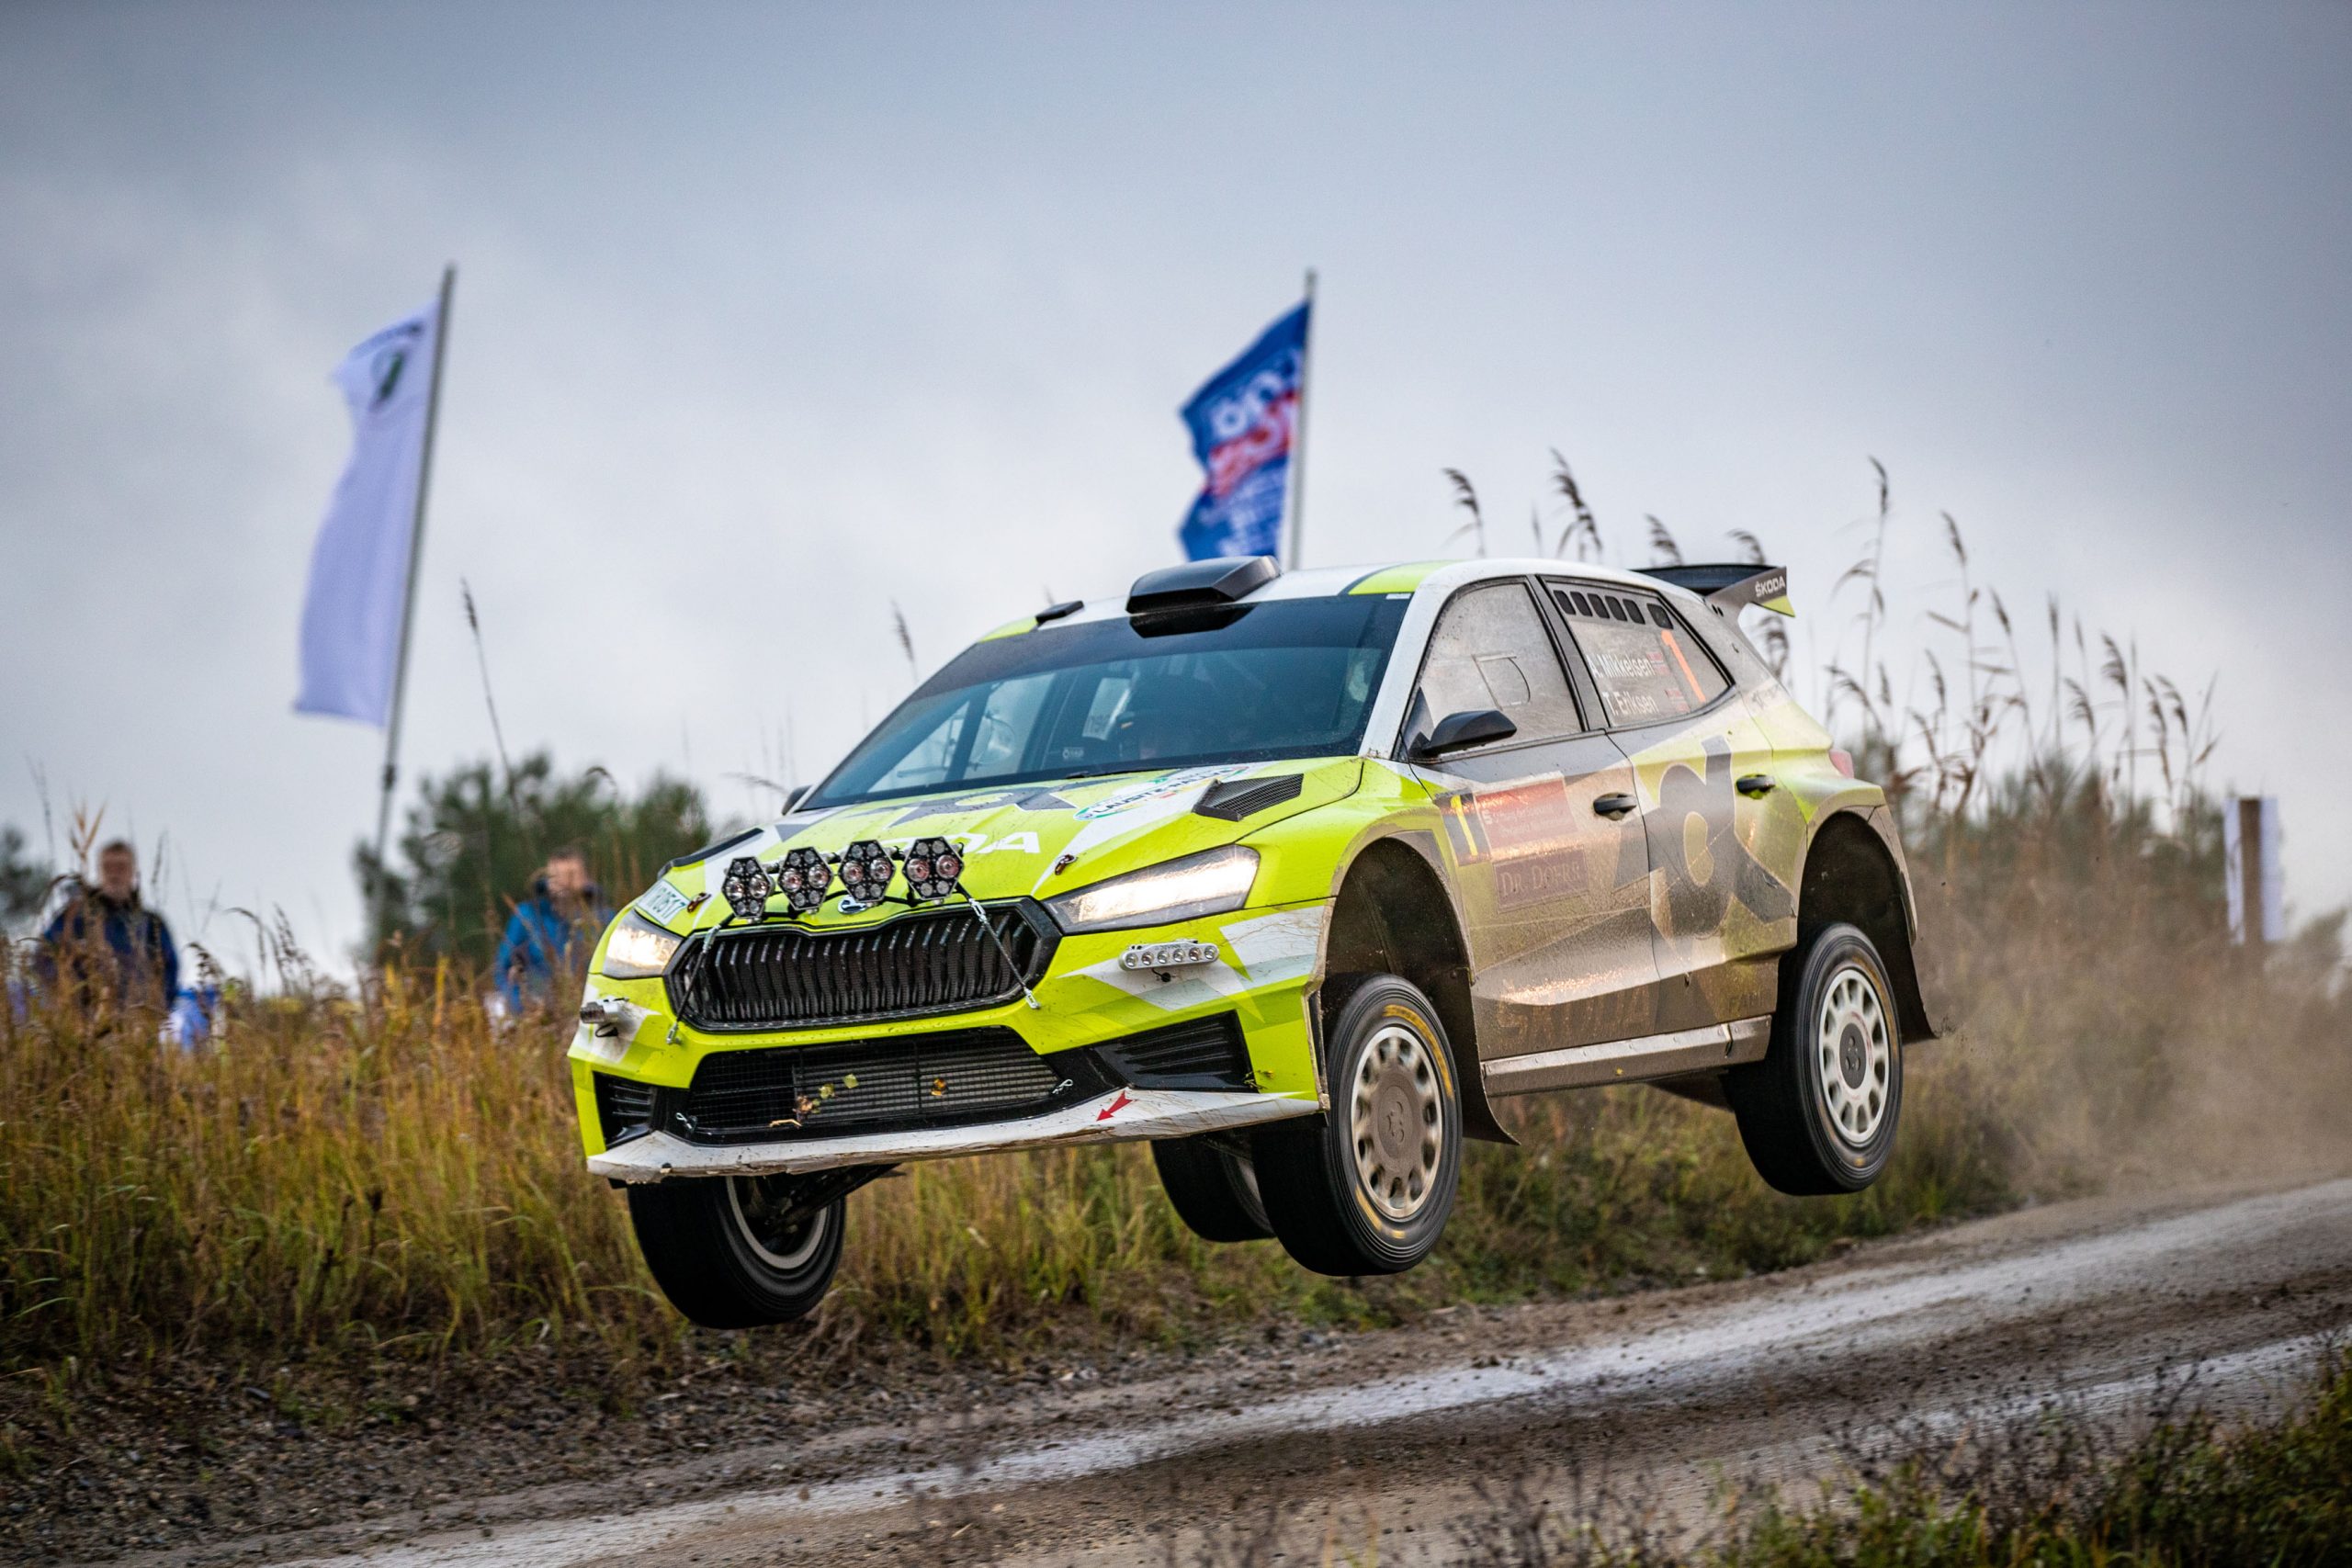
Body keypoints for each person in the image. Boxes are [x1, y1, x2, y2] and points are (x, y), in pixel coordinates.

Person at [38, 839, 178, 1010]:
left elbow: (169, 971)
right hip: (83, 1020)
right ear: (99, 871)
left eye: (121, 868)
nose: (114, 874)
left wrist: (156, 1010)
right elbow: (44, 956)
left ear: (133, 872)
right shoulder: (75, 918)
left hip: (135, 1021)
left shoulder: (151, 924)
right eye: (107, 868)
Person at [493, 846, 608, 1012]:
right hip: (537, 1009)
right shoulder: (527, 915)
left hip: (591, 1008)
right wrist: (522, 1005)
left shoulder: (604, 919)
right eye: (556, 876)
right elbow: (503, 970)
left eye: (571, 875)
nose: (563, 882)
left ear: (586, 879)